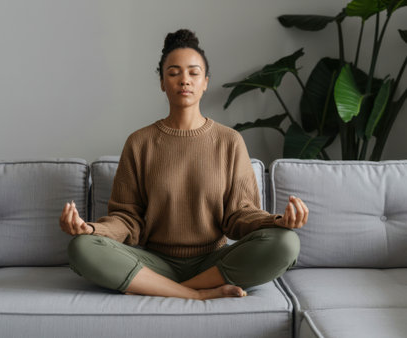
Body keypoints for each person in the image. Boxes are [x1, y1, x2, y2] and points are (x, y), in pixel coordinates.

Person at [60, 29, 308, 301]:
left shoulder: (229, 141)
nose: (184, 80)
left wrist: (277, 222)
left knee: (286, 243)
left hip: (213, 262)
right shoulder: (140, 142)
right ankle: (196, 294)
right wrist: (92, 229)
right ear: (162, 82)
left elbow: (240, 215)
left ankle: (167, 289)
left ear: (205, 82)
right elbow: (127, 219)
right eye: (174, 72)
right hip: (153, 262)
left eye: (193, 73)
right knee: (82, 247)